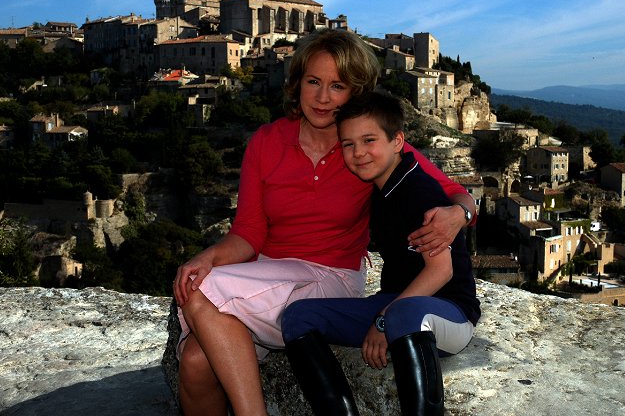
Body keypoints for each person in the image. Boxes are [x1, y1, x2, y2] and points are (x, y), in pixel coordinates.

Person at [173, 29, 477, 416]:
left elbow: (452, 191)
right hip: (267, 276)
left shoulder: (365, 146)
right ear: (297, 82)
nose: (322, 97)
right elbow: (248, 233)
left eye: (337, 86)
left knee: (204, 292)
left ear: (356, 93)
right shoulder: (266, 142)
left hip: (330, 278)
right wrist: (210, 257)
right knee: (197, 363)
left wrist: (459, 214)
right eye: (313, 82)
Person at [281, 92, 481, 416]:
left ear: (398, 141)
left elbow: (440, 271)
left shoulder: (418, 191)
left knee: (404, 314)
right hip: (395, 302)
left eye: (369, 140)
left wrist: (384, 319)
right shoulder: (381, 189)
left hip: (447, 313)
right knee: (297, 317)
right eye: (348, 144)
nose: (358, 153)